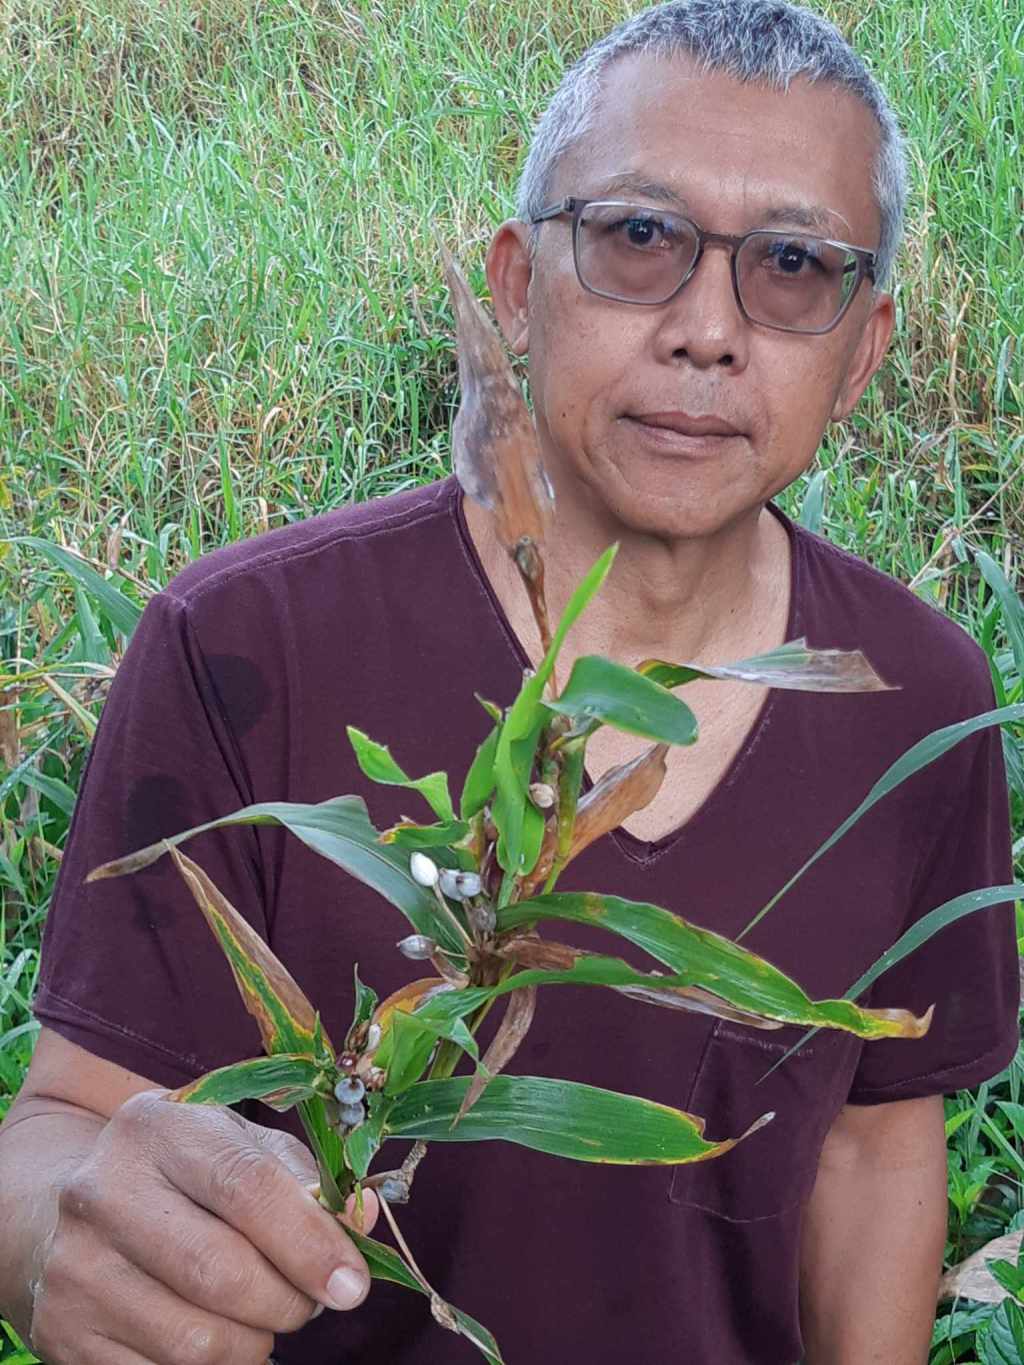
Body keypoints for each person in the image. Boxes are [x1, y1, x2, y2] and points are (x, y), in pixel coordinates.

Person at [0, 1, 1018, 1362]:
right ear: (520, 284)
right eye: (640, 239)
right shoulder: (246, 643)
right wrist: (63, 1229)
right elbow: (63, 1129)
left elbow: (875, 1152)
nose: (708, 330)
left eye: (791, 263)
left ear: (865, 350)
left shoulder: (918, 699)